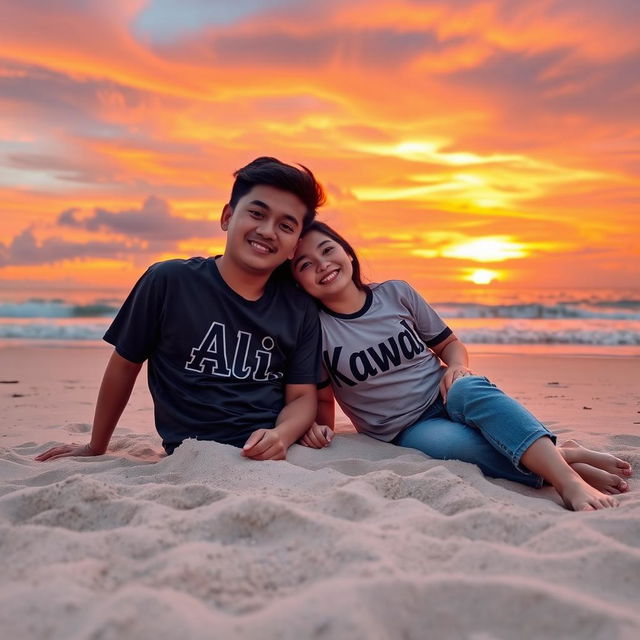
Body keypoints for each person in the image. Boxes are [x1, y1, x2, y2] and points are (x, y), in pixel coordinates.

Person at [291, 221, 633, 511]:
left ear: (347, 252)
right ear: (297, 283)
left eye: (327, 249)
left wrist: (456, 366)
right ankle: (565, 455)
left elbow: (450, 345)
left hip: (448, 392)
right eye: (305, 264)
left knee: (471, 387)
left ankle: (567, 480)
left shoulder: (395, 294)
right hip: (408, 427)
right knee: (473, 453)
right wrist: (321, 429)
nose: (321, 264)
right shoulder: (315, 332)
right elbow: (323, 397)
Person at [36, 157, 326, 462]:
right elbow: (124, 364)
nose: (268, 231)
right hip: (193, 455)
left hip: (274, 453)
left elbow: (302, 396)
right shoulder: (169, 282)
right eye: (256, 213)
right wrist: (96, 446)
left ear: (295, 245)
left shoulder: (298, 307)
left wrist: (282, 435)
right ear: (227, 217)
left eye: (286, 225)